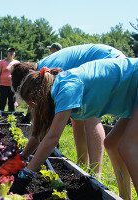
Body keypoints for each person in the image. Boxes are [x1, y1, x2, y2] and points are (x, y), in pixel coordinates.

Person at [10, 58, 138, 199]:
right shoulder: (58, 88)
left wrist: (25, 175)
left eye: (32, 106)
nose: (33, 110)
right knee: (112, 143)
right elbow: (40, 133)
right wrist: (22, 157)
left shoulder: (66, 88)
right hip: (132, 95)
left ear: (37, 99)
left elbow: (52, 138)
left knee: (128, 146)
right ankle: (125, 197)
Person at [0, 47, 19, 112]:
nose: (11, 53)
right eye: (10, 52)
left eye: (13, 52)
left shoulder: (17, 63)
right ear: (7, 53)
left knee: (12, 105)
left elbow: (19, 75)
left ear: (14, 54)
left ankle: (11, 120)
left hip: (12, 87)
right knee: (2, 104)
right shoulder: (1, 62)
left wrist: (18, 86)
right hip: (2, 86)